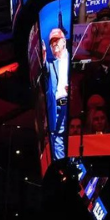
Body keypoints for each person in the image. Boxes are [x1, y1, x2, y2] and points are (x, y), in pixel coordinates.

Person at [45, 27, 69, 160]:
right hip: (57, 107)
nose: (54, 44)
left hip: (71, 104)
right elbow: (43, 67)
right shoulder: (51, 64)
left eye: (56, 40)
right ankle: (62, 166)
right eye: (51, 42)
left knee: (72, 135)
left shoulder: (73, 59)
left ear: (64, 41)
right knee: (57, 139)